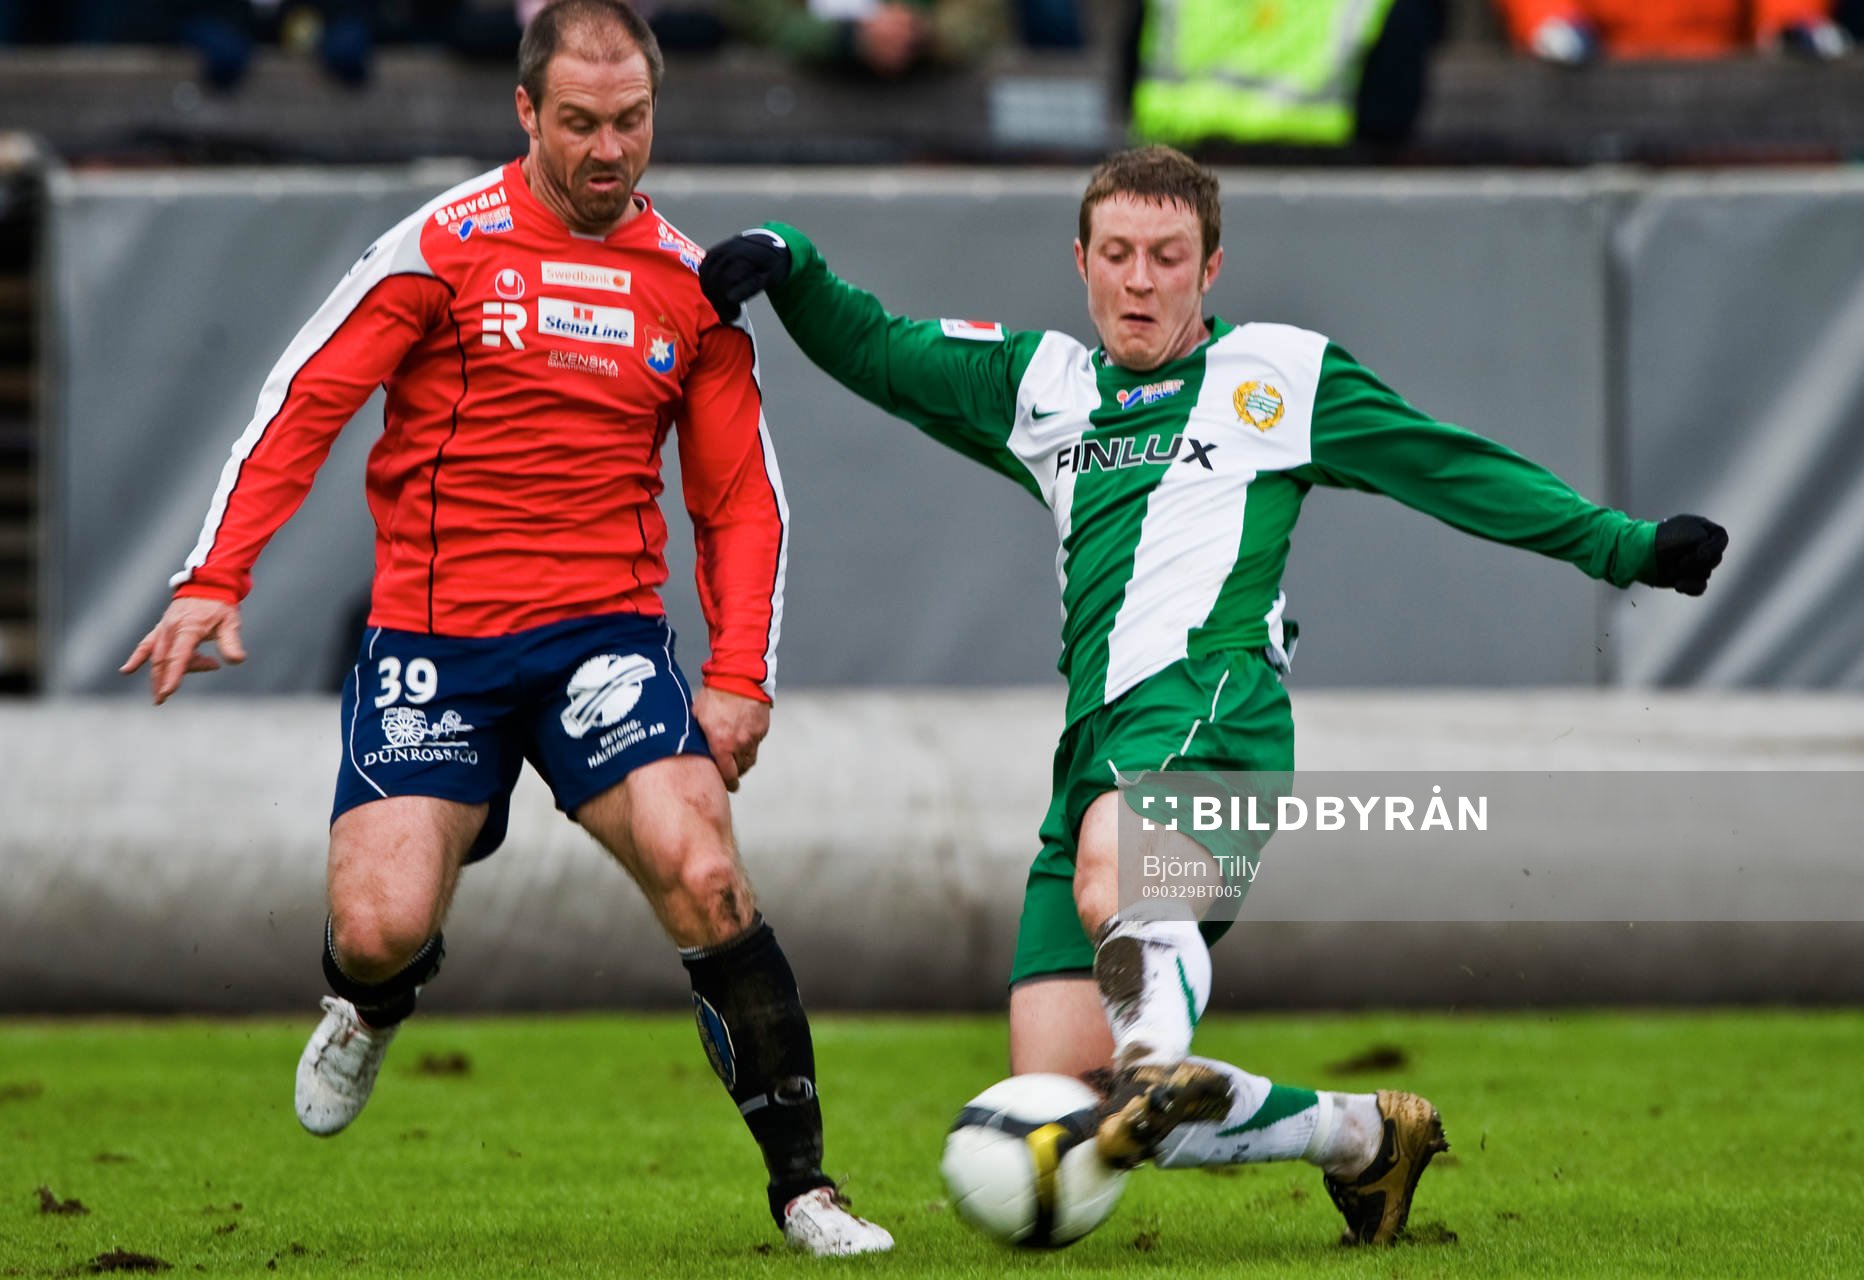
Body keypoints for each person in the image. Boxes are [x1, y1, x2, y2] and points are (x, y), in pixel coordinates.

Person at [698, 145, 1729, 1245]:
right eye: (1120, 255)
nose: (1141, 280)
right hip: (1092, 743)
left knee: (1117, 885)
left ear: (1210, 267)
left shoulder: (1278, 376)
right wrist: (792, 267)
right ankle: (1360, 1138)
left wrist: (1624, 547)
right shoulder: (1040, 385)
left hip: (1215, 707)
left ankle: (1156, 1054)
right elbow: (883, 351)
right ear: (1081, 262)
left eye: (1168, 257)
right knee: (1078, 1108)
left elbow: (1450, 465)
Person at [120, 0, 891, 1256]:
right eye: (579, 123)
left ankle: (805, 1187)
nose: (608, 150)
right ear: (524, 111)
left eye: (631, 122)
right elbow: (308, 395)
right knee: (381, 922)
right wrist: (217, 574)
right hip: (437, 640)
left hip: (604, 645)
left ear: (656, 112)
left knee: (704, 871)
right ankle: (371, 1001)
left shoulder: (689, 289)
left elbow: (740, 499)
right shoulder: (441, 245)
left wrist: (741, 671)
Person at [1495, 0, 1851, 64]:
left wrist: (1790, 21)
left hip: (1726, 103)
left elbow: (1788, 10)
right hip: (1597, 95)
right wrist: (1553, 22)